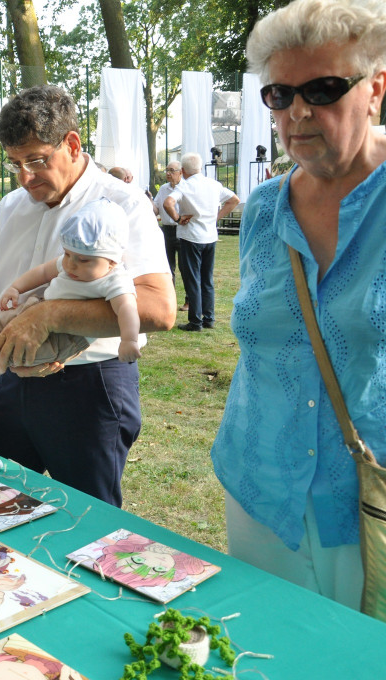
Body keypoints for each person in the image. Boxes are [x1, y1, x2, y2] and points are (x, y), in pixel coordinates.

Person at [211, 0, 386, 610]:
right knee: (273, 649)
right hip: (260, 485)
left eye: (324, 88)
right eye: (280, 94)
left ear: (375, 89)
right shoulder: (262, 208)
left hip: (369, 499)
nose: (299, 111)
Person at [0, 85, 176, 507]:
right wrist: (8, 344)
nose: (24, 177)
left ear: (72, 144)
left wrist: (48, 316)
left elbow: (159, 307)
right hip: (8, 382)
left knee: (87, 525)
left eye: (36, 160)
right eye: (15, 164)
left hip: (89, 389)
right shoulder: (9, 207)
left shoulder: (123, 204)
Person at [0, 198, 140, 394]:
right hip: (34, 308)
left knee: (12, 351)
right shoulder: (71, 262)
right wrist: (15, 288)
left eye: (83, 260)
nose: (70, 264)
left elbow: (127, 308)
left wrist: (129, 340)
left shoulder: (115, 280)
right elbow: (42, 273)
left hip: (65, 337)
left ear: (112, 262)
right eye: (66, 254)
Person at [162, 152, 240, 331]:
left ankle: (195, 321)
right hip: (210, 236)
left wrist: (177, 218)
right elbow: (234, 200)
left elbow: (168, 203)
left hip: (191, 237)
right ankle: (209, 318)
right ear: (200, 167)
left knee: (192, 279)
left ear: (182, 170)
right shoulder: (213, 184)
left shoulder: (185, 186)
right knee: (207, 279)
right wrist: (216, 218)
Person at [153, 161, 184, 300]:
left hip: (182, 230)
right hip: (166, 230)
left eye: (172, 170)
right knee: (167, 266)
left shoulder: (185, 187)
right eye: (167, 170)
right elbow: (156, 210)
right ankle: (170, 297)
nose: (168, 173)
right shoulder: (163, 189)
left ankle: (189, 300)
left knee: (185, 267)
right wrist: (148, 200)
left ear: (180, 172)